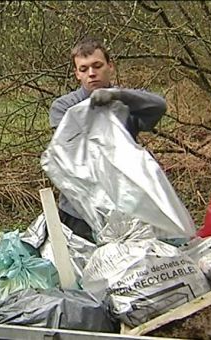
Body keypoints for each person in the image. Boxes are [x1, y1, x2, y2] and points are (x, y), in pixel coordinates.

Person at [49, 37, 167, 243]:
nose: (91, 73)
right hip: (80, 210)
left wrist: (117, 96)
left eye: (97, 66)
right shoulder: (64, 107)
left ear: (110, 66)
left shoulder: (124, 102)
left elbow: (158, 106)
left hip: (125, 204)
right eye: (84, 69)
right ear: (77, 74)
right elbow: (73, 150)